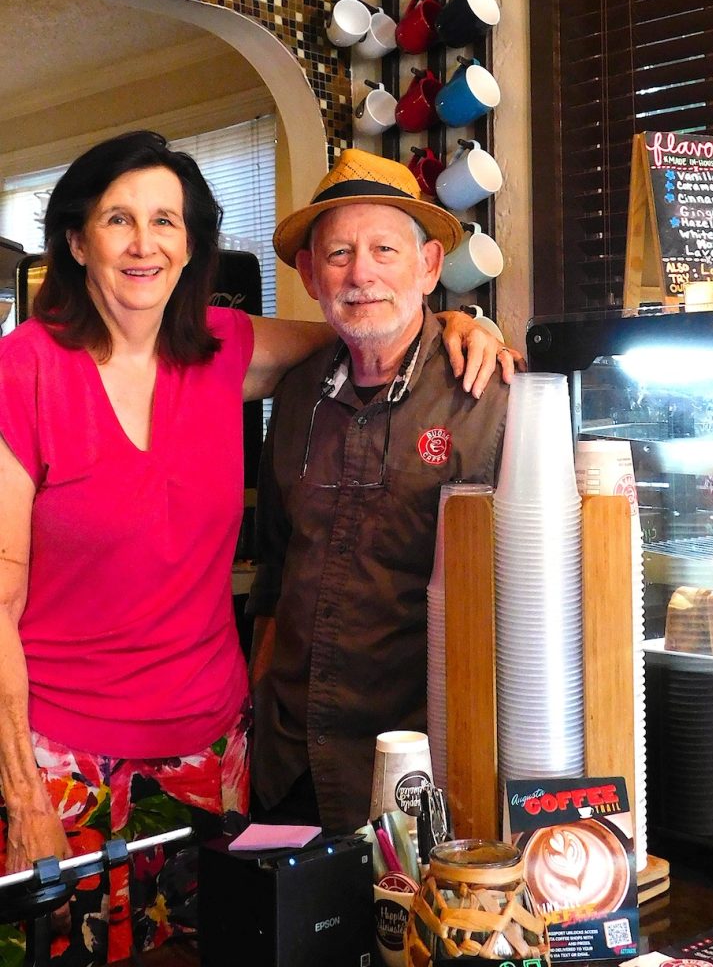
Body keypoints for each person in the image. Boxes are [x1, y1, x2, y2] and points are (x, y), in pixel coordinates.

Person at [0, 131, 512, 966]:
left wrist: (457, 316)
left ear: (191, 244)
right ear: (75, 239)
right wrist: (20, 789)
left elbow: (365, 327)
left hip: (215, 753)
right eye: (118, 219)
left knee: (222, 953)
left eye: (166, 221)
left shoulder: (218, 348)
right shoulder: (23, 371)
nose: (143, 243)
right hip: (63, 756)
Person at [248, 149, 511, 834]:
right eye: (337, 254)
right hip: (288, 764)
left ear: (427, 267)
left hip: (424, 775)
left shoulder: (488, 396)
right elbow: (276, 574)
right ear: (310, 275)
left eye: (384, 250)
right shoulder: (297, 394)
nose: (360, 273)